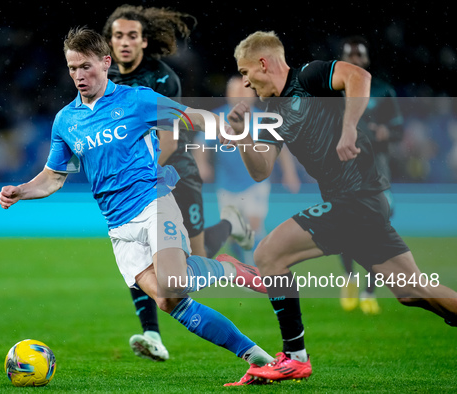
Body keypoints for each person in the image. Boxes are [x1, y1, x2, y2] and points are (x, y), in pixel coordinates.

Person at [0, 27, 273, 386]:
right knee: (168, 302)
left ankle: (226, 269)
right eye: (71, 69)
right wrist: (21, 190)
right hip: (118, 226)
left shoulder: (137, 100)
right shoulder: (66, 120)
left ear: (106, 62)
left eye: (86, 67)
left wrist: (220, 126)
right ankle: (257, 357)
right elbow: (53, 177)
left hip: (153, 203)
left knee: (173, 283)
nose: (79, 76)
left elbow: (190, 115)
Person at [222, 30, 457, 384]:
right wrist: (241, 135)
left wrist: (349, 128)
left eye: (244, 72)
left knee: (269, 254)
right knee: (412, 291)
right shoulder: (274, 111)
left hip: (357, 198)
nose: (244, 82)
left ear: (263, 63)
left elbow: (359, 76)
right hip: (354, 203)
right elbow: (261, 170)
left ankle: (295, 358)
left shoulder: (309, 76)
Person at [102, 4, 254, 362]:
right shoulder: (106, 81)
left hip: (177, 170)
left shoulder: (163, 78)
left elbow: (169, 139)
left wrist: (139, 173)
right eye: (118, 36)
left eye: (132, 36)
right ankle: (151, 333)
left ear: (144, 41)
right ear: (109, 42)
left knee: (196, 261)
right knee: (138, 251)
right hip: (140, 183)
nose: (125, 42)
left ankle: (231, 223)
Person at [194, 75, 301, 266]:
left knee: (254, 225)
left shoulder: (264, 120)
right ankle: (241, 264)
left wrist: (289, 173)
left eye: (244, 91)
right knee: (233, 233)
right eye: (235, 91)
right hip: (226, 184)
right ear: (228, 95)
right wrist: (202, 164)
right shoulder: (218, 118)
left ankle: (256, 267)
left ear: (254, 95)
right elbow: (200, 143)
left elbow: (282, 149)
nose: (240, 95)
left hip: (255, 183)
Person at [338, 35, 404, 315]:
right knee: (343, 229)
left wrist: (385, 132)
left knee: (377, 230)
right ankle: (350, 279)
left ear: (366, 59)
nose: (355, 60)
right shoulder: (332, 93)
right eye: (349, 56)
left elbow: (399, 129)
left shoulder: (382, 90)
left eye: (359, 56)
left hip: (377, 172)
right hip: (343, 170)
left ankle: (369, 291)